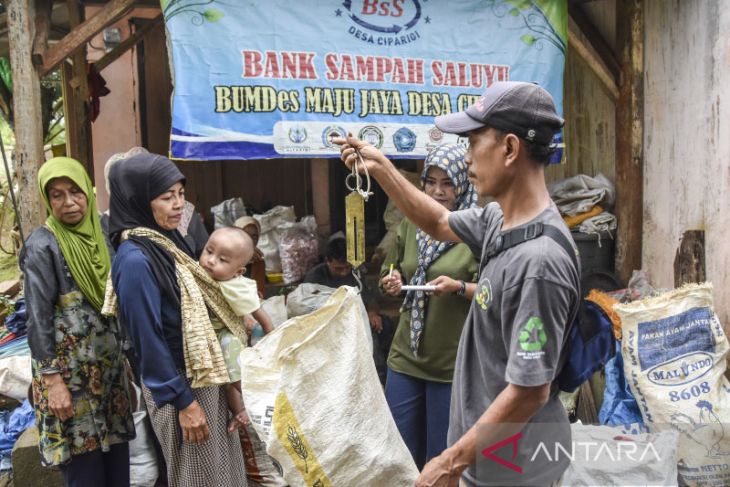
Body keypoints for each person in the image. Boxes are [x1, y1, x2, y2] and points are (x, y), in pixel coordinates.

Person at [336, 81, 580, 487]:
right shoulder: (499, 221)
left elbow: (529, 391)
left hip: (514, 470)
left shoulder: (539, 262)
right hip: (486, 461)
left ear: (509, 148)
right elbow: (437, 221)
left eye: (472, 141)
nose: (466, 158)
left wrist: (450, 462)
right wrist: (380, 168)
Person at [108, 152, 247, 486]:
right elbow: (147, 340)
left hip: (202, 375)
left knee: (223, 474)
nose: (177, 204)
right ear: (138, 200)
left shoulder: (166, 242)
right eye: (166, 197)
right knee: (198, 476)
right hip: (179, 387)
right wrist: (184, 403)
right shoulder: (135, 260)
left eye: (181, 194)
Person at [21, 157, 134, 486]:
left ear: (88, 190)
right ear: (47, 200)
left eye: (75, 191)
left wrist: (126, 357)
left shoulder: (102, 232)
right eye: (56, 195)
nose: (68, 202)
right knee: (85, 469)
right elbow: (37, 320)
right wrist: (52, 382)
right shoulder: (42, 246)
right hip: (69, 379)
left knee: (117, 465)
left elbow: (116, 303)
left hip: (109, 371)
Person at [378, 143, 479, 470]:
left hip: (450, 362)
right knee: (399, 454)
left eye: (447, 183)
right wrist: (391, 281)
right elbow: (390, 269)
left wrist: (458, 287)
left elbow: (497, 291)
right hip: (406, 355)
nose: (437, 191)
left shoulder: (478, 229)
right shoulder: (411, 224)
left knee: (440, 459)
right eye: (430, 182)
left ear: (462, 183)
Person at [198, 226, 275, 429]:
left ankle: (257, 400)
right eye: (208, 251)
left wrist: (273, 343)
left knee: (234, 371)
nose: (211, 260)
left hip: (227, 335)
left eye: (223, 260)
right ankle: (239, 411)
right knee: (229, 376)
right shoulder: (197, 275)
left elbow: (263, 318)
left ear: (238, 272)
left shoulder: (238, 287)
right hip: (204, 336)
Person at [303, 235, 392, 383]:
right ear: (327, 261)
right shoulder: (315, 277)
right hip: (329, 324)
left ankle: (378, 377)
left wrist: (372, 313)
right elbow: (309, 309)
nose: (344, 272)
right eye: (339, 268)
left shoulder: (355, 273)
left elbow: (369, 298)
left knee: (380, 326)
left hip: (356, 320)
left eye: (347, 267)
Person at [233, 216, 267, 296]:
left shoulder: (259, 262)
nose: (249, 240)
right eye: (244, 234)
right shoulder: (224, 256)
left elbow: (259, 294)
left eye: (254, 237)